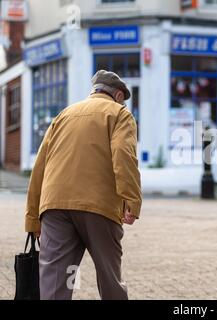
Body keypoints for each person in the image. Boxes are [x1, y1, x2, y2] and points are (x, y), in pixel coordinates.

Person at [24, 70, 142, 300]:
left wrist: (32, 219)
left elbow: (39, 168)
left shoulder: (63, 115)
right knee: (110, 279)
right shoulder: (120, 114)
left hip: (54, 207)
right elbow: (123, 155)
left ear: (94, 91)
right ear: (118, 95)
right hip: (99, 206)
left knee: (55, 282)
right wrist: (132, 200)